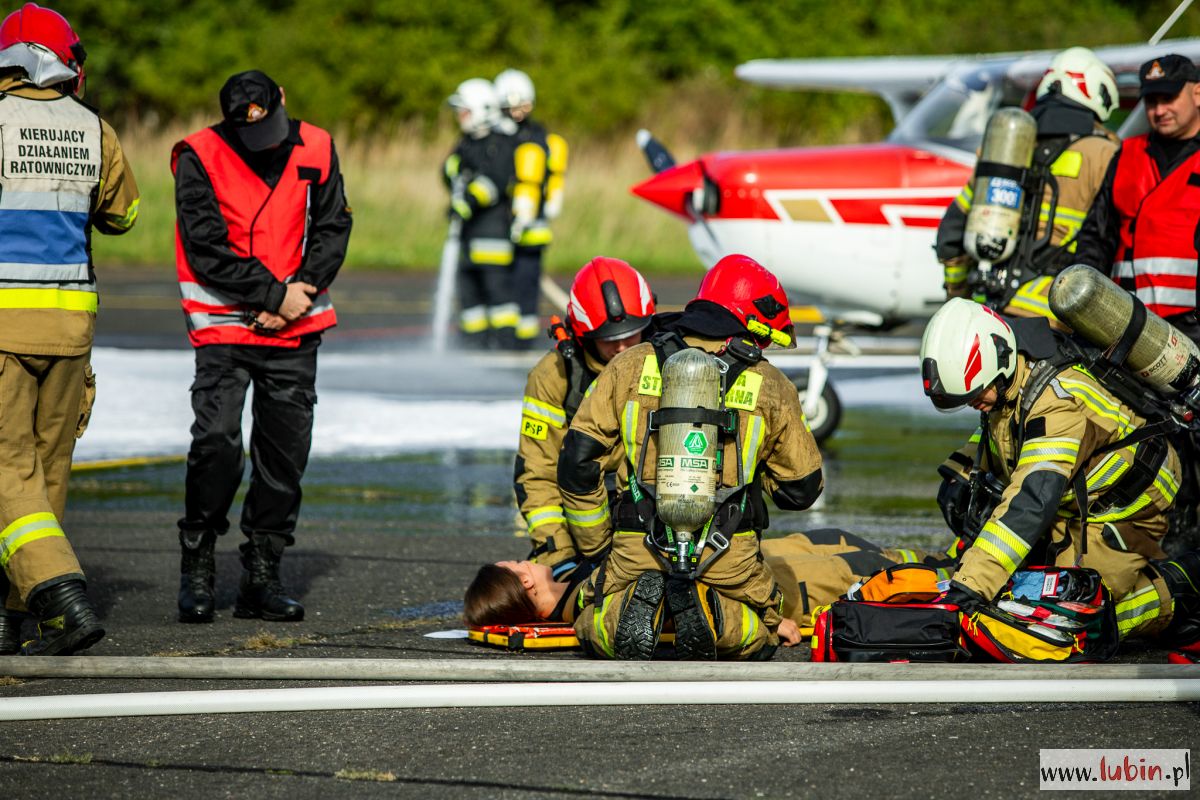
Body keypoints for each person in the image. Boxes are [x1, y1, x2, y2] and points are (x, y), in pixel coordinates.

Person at [557, 254, 824, 660]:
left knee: (589, 619)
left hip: (637, 549)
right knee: (765, 626)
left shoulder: (629, 364)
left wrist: (598, 547)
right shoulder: (770, 384)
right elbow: (801, 489)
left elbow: (577, 462)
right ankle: (717, 616)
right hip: (728, 555)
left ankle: (622, 613)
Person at [172, 70, 352, 624]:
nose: (264, 141)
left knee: (283, 456)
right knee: (218, 442)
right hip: (226, 324)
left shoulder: (317, 145)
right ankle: (198, 563)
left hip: (295, 326)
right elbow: (205, 247)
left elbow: (333, 226)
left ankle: (262, 573)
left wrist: (300, 292)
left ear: (284, 101)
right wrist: (272, 294)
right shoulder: (198, 155)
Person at [920, 298, 1200, 647]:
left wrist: (972, 584)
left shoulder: (1057, 403)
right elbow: (1001, 431)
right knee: (1017, 589)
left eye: (977, 394)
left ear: (1000, 360)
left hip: (1127, 509)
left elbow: (1032, 499)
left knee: (1069, 616)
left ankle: (1181, 586)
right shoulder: (1011, 382)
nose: (974, 403)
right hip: (1075, 502)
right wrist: (958, 475)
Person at [0, 3, 139, 656]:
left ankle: (57, 590)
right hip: (69, 329)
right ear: (67, 62)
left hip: (2, 327)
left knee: (7, 471)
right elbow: (124, 215)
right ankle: (14, 613)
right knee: (46, 471)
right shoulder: (93, 128)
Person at [1074, 54, 1200, 547]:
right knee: (1137, 441)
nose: (1159, 108)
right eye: (1150, 100)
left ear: (1197, 93)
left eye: (1168, 97)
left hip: (1189, 334)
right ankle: (1142, 542)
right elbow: (1096, 239)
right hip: (1124, 334)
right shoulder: (1125, 156)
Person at [464, 529, 949, 637]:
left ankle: (954, 562)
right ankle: (973, 575)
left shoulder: (574, 584)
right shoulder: (591, 604)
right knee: (890, 573)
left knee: (846, 543)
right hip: (781, 589)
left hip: (758, 558)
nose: (518, 559)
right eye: (511, 564)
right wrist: (771, 619)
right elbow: (687, 605)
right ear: (525, 583)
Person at [937, 47, 1119, 323]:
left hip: (989, 313)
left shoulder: (1006, 146)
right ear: (1099, 91)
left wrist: (957, 295)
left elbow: (951, 234)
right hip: (1057, 316)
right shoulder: (1106, 153)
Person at [515, 257, 655, 581]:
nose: (622, 346)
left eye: (632, 334)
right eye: (609, 338)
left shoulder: (667, 361)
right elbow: (537, 475)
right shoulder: (554, 377)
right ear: (582, 333)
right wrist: (560, 558)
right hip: (580, 536)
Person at [442, 78, 520, 350]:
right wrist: (452, 174)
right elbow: (450, 169)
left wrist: (466, 203)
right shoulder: (466, 143)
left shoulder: (499, 143)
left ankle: (506, 345)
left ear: (481, 110)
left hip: (492, 234)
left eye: (464, 111)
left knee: (497, 294)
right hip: (468, 235)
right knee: (469, 295)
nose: (459, 117)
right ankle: (474, 345)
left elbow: (494, 183)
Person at [494, 69, 567, 349]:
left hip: (531, 225)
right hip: (504, 224)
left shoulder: (536, 137)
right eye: (511, 106)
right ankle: (506, 337)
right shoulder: (502, 136)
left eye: (522, 105)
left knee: (525, 285)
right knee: (503, 285)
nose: (517, 112)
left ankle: (521, 340)